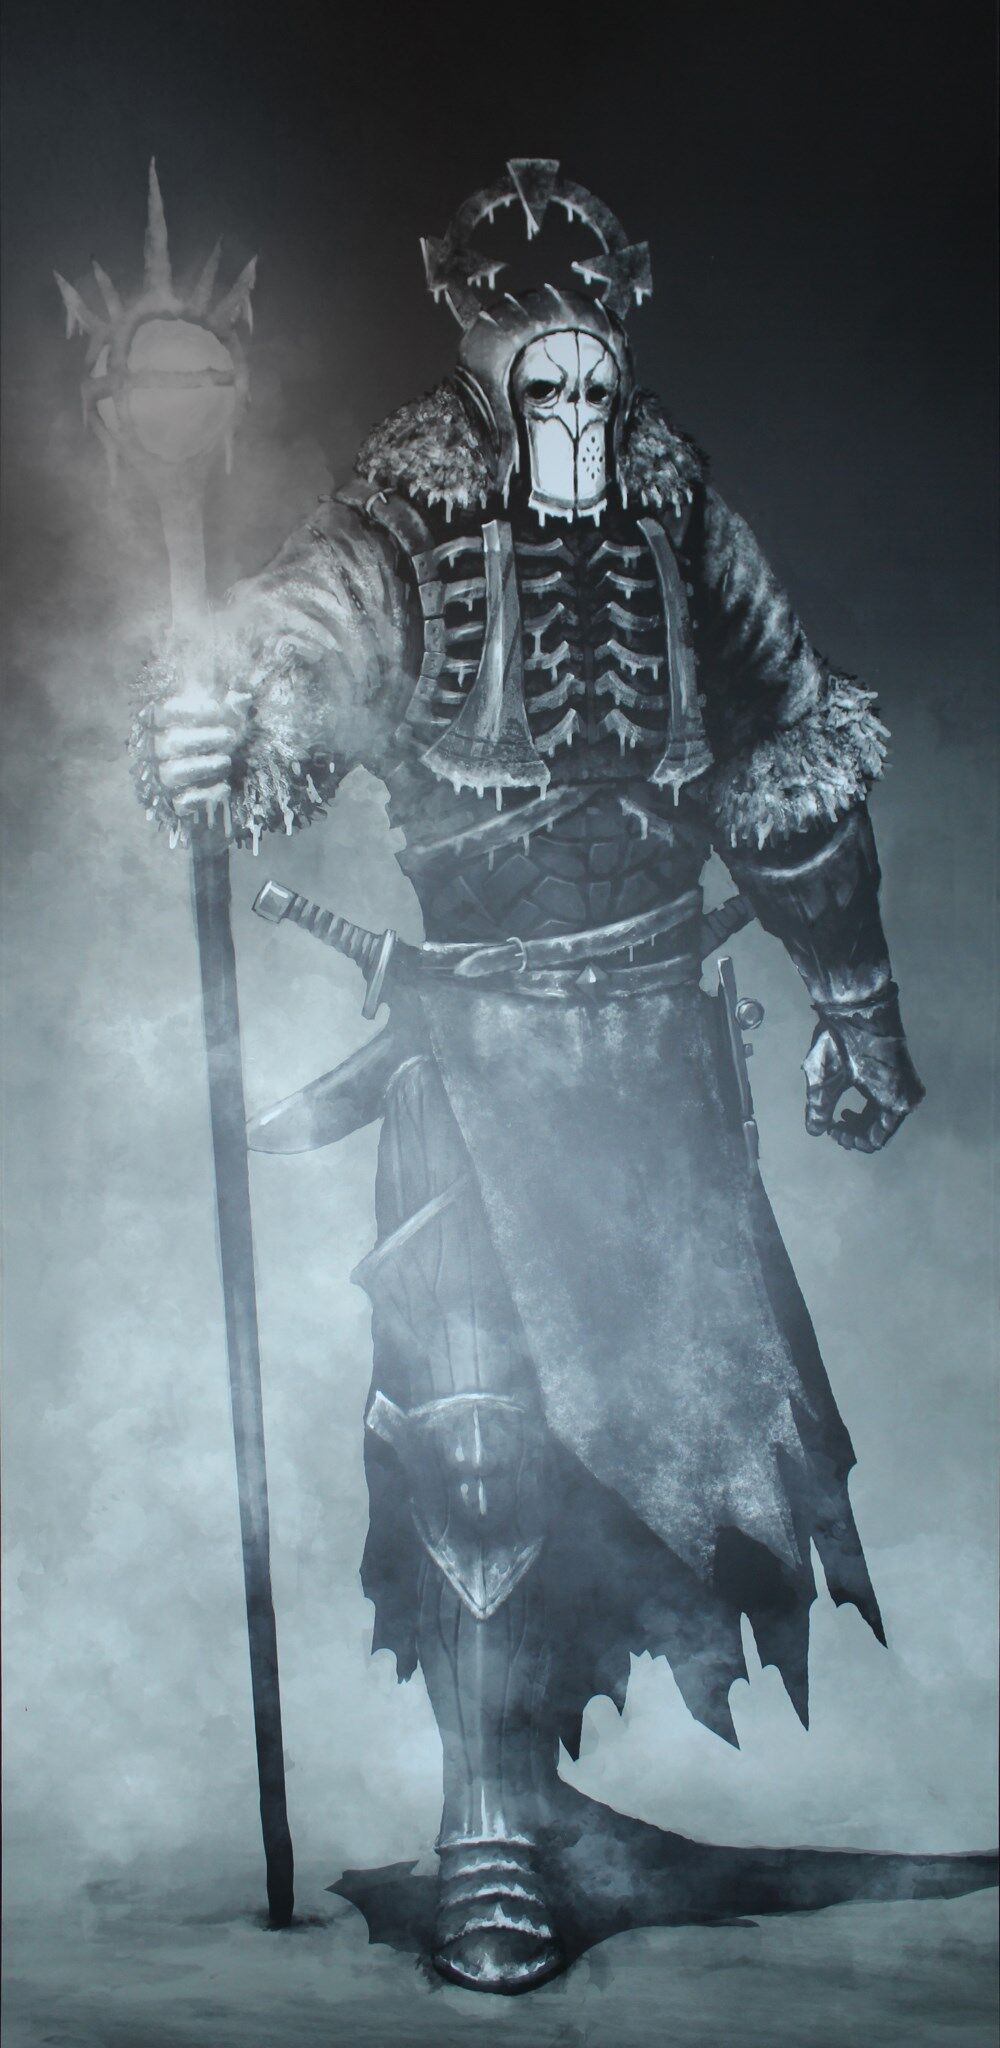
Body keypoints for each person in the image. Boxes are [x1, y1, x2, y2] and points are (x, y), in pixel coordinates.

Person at [133, 160, 924, 1995]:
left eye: (590, 361)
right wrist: (223, 711)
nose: (570, 394)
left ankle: (553, 1785)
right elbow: (302, 640)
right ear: (486, 366)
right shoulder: (406, 515)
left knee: (653, 1442)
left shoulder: (677, 506)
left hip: (661, 1061)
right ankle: (485, 1816)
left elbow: (790, 744)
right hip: (476, 1058)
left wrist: (857, 1001)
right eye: (535, 365)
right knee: (473, 1427)